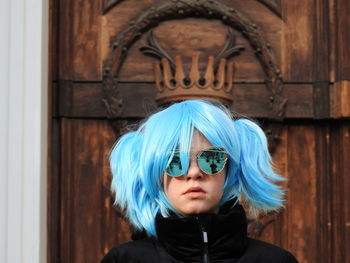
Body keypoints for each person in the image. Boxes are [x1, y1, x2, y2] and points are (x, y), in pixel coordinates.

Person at [101, 99, 298, 263]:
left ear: (230, 168)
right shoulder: (124, 260)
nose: (194, 173)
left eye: (212, 158)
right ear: (156, 173)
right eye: (175, 160)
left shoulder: (276, 261)